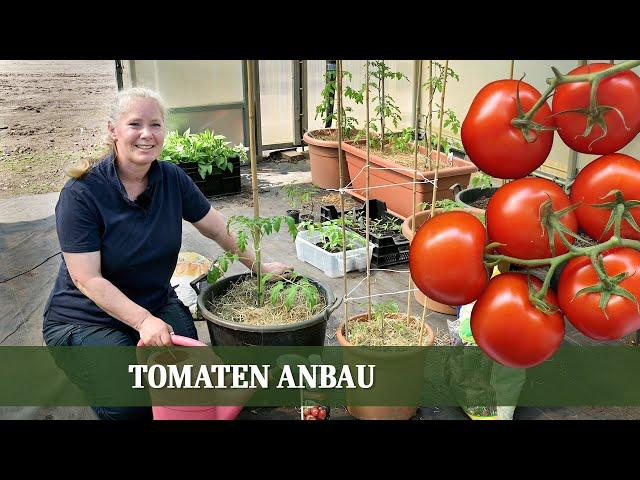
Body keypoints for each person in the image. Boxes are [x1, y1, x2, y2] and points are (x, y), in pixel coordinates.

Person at [42, 87, 291, 420]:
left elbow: (217, 228)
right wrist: (143, 322)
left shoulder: (171, 178)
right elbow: (86, 279)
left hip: (154, 300)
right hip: (85, 318)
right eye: (135, 124)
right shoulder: (83, 193)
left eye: (155, 125)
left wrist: (260, 267)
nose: (147, 134)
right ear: (113, 130)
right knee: (131, 403)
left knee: (189, 382)